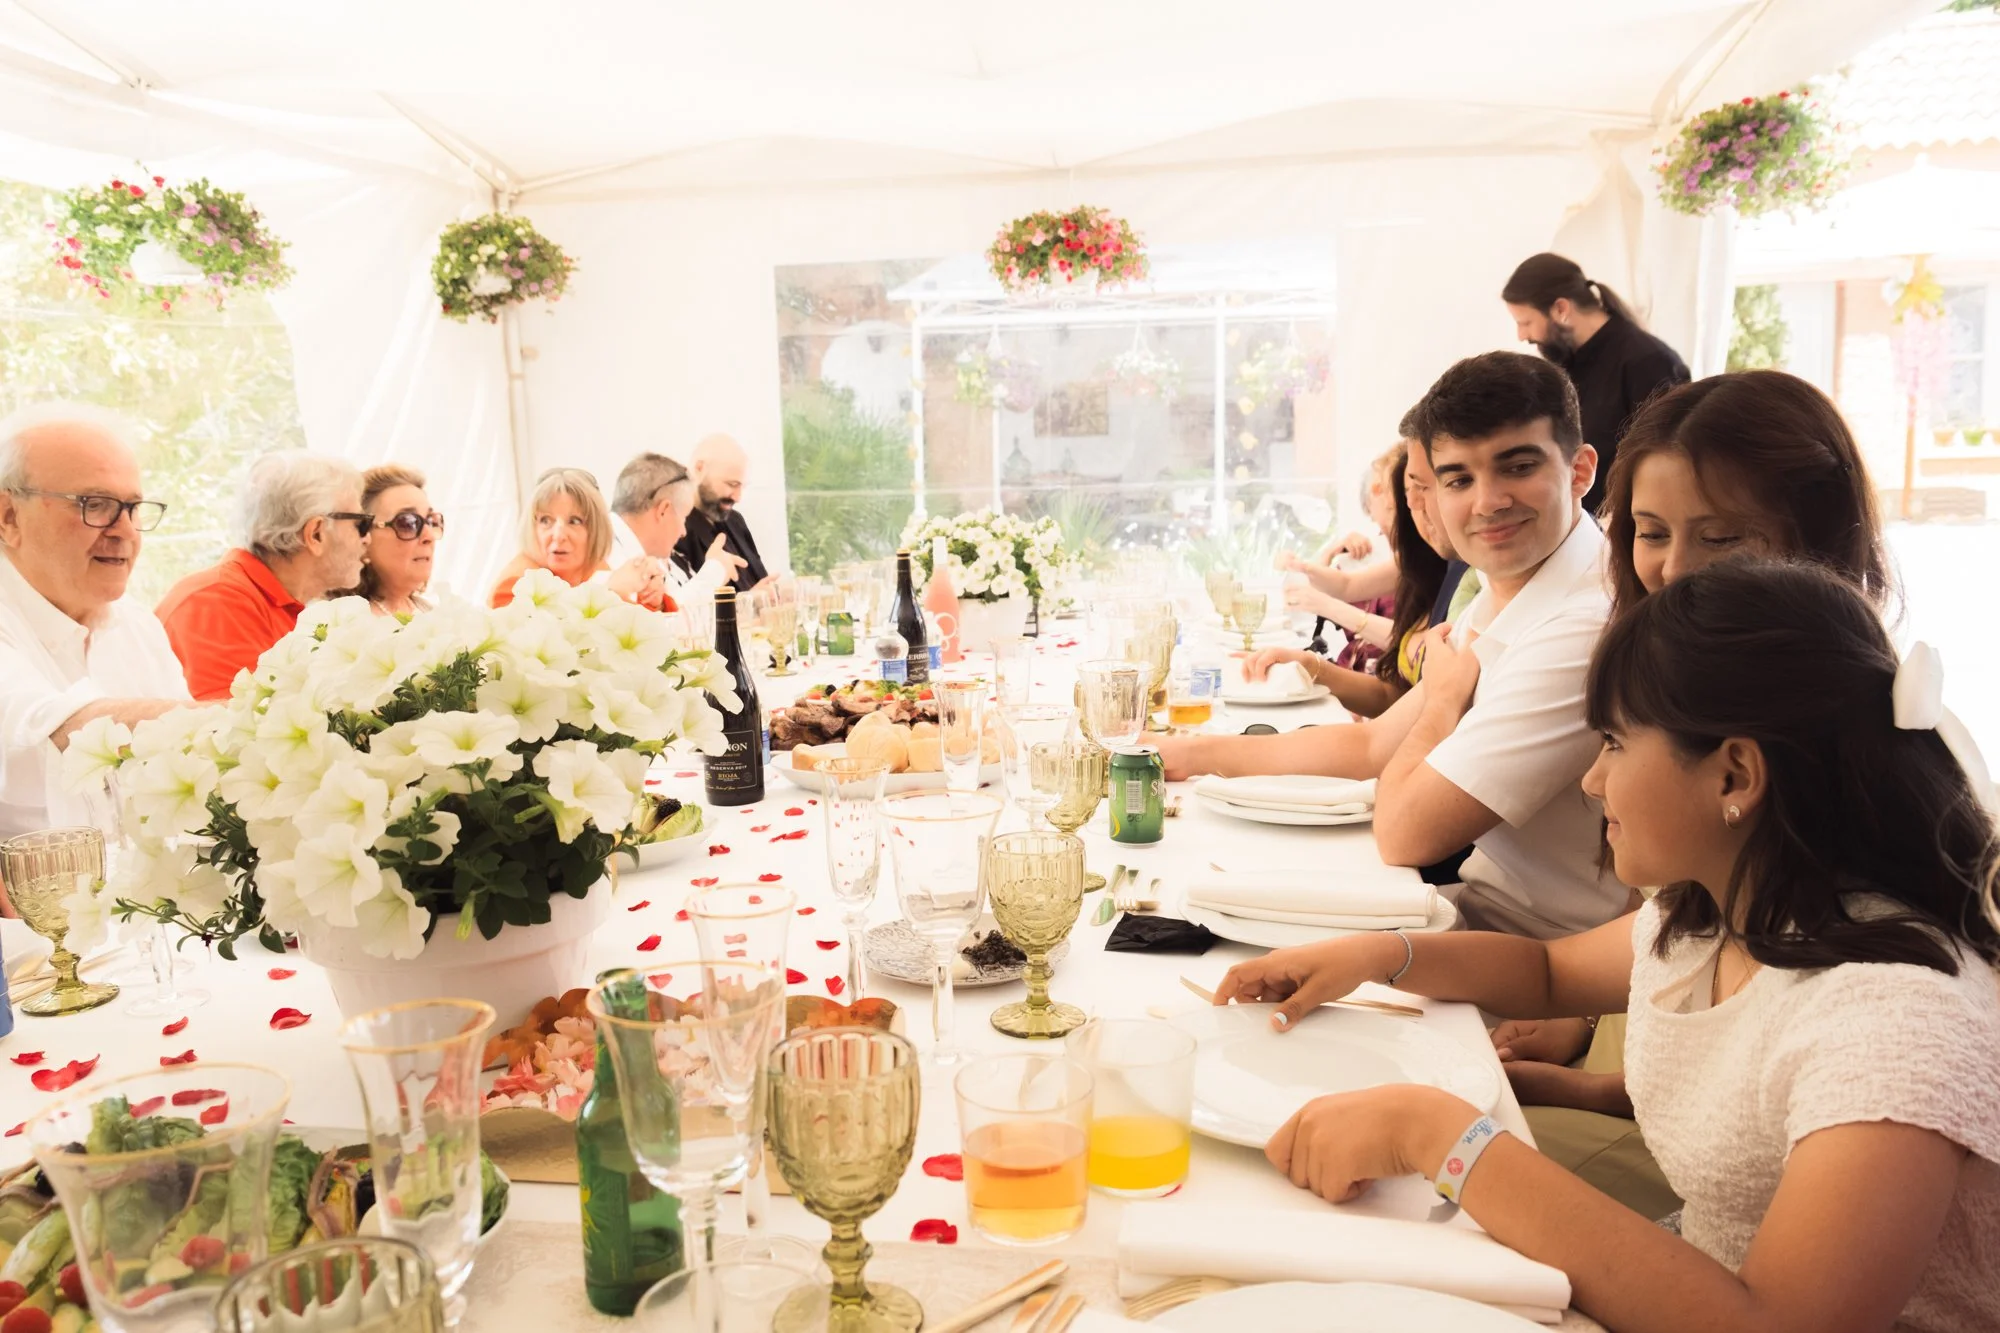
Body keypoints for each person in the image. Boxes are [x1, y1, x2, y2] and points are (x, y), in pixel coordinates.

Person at [1213, 559, 2000, 1333]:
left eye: (1616, 743)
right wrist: (1378, 955)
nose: (1592, 780)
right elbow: (1548, 970)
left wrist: (1436, 1134)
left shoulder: (1894, 1017)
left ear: (1735, 775)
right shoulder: (1726, 907)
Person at [1492, 369, 1895, 1220]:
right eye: (1651, 532)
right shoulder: (1666, 671)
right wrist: (1584, 1041)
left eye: (1721, 536)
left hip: (1720, 1159)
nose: (1674, 569)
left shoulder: (1839, 743)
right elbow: (1660, 918)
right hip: (1652, 1069)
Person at [1155, 351, 1627, 939]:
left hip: (1538, 948)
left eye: (1517, 466)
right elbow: (1374, 743)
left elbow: (1404, 833)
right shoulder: (1516, 582)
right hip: (1479, 912)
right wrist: (1188, 754)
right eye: (1459, 479)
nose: (1487, 502)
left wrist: (1442, 704)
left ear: (1580, 471)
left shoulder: (1582, 624)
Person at [0, 404, 189, 851]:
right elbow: (58, 730)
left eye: (133, 508)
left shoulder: (137, 625)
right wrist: (250, 721)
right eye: (95, 505)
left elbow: (187, 770)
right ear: (8, 517)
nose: (126, 531)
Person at [156, 451, 369, 701]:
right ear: (316, 534)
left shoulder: (282, 608)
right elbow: (238, 721)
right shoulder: (213, 605)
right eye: (361, 524)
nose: (367, 538)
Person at [1502, 253, 1689, 513]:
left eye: (1525, 323)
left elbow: (1667, 462)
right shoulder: (1566, 362)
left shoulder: (1648, 361)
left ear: (1561, 309)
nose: (1522, 335)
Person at [490, 467, 661, 609]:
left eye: (574, 521)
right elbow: (558, 635)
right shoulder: (514, 587)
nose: (558, 536)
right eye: (546, 521)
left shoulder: (590, 568)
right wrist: (609, 594)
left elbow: (637, 627)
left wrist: (651, 599)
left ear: (596, 529)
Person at [608, 451, 741, 606]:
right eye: (684, 517)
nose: (683, 532)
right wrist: (711, 576)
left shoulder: (656, 558)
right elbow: (657, 617)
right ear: (663, 511)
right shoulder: (603, 553)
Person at [336, 464, 443, 616]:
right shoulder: (333, 621)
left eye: (431, 521)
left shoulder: (436, 615)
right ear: (362, 539)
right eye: (407, 523)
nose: (429, 536)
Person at [674, 434, 770, 589]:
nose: (738, 497)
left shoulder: (735, 521)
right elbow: (684, 599)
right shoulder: (676, 529)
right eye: (732, 484)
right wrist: (748, 600)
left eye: (742, 486)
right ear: (699, 469)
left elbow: (761, 582)